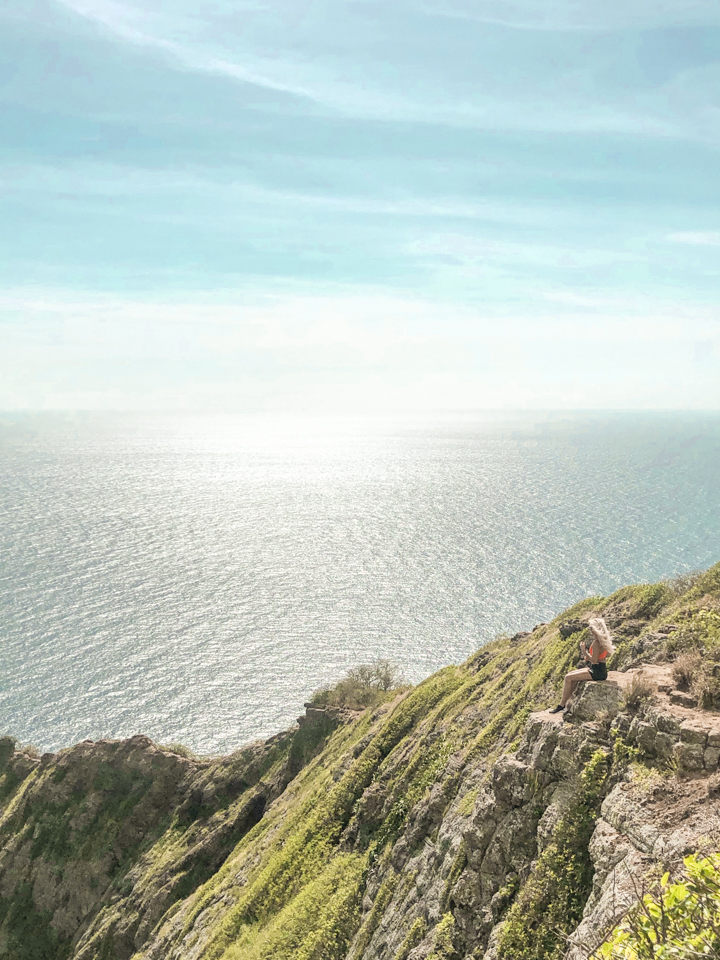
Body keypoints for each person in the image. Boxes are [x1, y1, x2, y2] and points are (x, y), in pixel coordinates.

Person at [549, 617, 615, 714]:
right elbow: (601, 657)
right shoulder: (602, 640)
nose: (590, 630)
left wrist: (584, 651)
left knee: (568, 678)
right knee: (571, 675)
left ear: (595, 629)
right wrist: (589, 656)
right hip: (601, 669)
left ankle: (561, 705)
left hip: (597, 672)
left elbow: (594, 661)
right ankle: (567, 704)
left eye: (591, 628)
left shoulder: (597, 643)